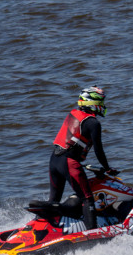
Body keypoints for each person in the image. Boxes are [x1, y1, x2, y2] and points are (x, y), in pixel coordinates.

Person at [48, 86, 119, 229]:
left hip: (54, 160)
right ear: (91, 102)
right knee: (87, 199)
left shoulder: (73, 114)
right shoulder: (93, 123)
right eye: (100, 102)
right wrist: (107, 168)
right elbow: (99, 150)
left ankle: (47, 229)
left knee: (54, 199)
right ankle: (91, 233)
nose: (102, 106)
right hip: (69, 163)